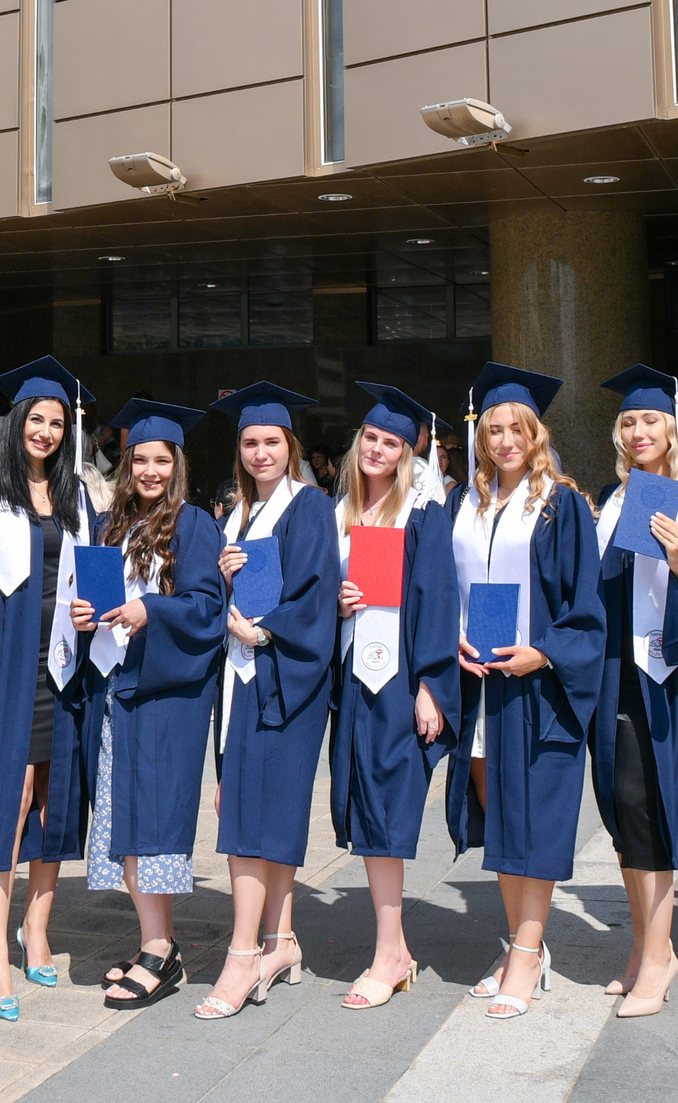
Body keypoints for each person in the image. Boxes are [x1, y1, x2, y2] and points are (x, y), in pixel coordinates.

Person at [444, 364, 603, 1024]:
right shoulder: (470, 500)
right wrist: (455, 636)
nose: (505, 439)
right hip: (483, 681)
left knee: (532, 816)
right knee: (500, 815)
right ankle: (517, 943)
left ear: (536, 432)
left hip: (534, 684)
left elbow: (586, 607)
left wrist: (546, 652)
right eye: (493, 428)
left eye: (517, 428)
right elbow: (457, 585)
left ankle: (529, 952)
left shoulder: (559, 503)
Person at [587, 366, 678, 1018]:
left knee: (652, 817)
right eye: (629, 422)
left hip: (660, 682)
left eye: (650, 420)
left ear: (674, 427)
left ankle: (660, 954)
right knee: (623, 813)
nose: (638, 430)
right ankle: (645, 945)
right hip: (610, 677)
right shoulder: (613, 499)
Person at [0, 357, 96, 1022]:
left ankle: (36, 928)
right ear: (14, 426)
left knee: (50, 804)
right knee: (6, 805)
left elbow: (95, 577)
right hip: (4, 664)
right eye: (36, 419)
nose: (45, 430)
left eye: (56, 422)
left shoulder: (78, 499)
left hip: (63, 666)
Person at [195, 382, 340, 1020]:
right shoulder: (234, 512)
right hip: (242, 679)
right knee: (262, 813)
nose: (260, 453)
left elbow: (315, 592)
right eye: (250, 443)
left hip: (284, 675)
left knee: (254, 819)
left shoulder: (308, 507)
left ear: (291, 446)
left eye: (271, 442)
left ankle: (243, 952)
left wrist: (265, 629)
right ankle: (283, 941)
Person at [74, 399, 224, 1012]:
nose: (151, 470)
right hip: (118, 690)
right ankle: (152, 943)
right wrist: (88, 616)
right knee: (124, 820)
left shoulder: (193, 524)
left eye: (162, 460)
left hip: (165, 697)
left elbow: (206, 610)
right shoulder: (115, 525)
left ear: (178, 465)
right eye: (140, 459)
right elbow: (104, 600)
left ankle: (161, 952)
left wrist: (149, 610)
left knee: (155, 820)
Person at [325, 383, 458, 1010]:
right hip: (353, 679)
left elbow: (437, 599)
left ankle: (388, 954)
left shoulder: (423, 515)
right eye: (371, 438)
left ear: (409, 452)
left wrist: (432, 685)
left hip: (400, 684)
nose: (378, 448)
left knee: (390, 810)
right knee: (368, 808)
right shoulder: (339, 513)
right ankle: (395, 949)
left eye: (392, 442)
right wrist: (334, 603)